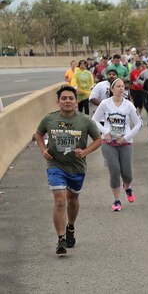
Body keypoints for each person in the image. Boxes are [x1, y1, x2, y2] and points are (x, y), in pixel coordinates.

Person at [35, 85, 102, 254]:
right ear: (58, 102)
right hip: (56, 165)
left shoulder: (85, 120)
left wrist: (85, 151)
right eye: (64, 98)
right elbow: (38, 134)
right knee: (60, 200)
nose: (67, 101)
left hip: (77, 167)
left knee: (72, 200)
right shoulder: (49, 119)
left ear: (76, 101)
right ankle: (61, 239)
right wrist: (43, 150)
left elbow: (98, 140)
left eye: (71, 98)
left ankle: (70, 227)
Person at [92, 78, 142, 211]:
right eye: (118, 86)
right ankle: (117, 200)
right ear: (112, 89)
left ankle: (127, 186)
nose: (121, 89)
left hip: (125, 143)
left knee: (127, 174)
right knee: (114, 170)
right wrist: (105, 132)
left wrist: (126, 137)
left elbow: (138, 124)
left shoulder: (129, 105)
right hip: (108, 142)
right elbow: (95, 120)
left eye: (123, 87)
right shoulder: (105, 104)